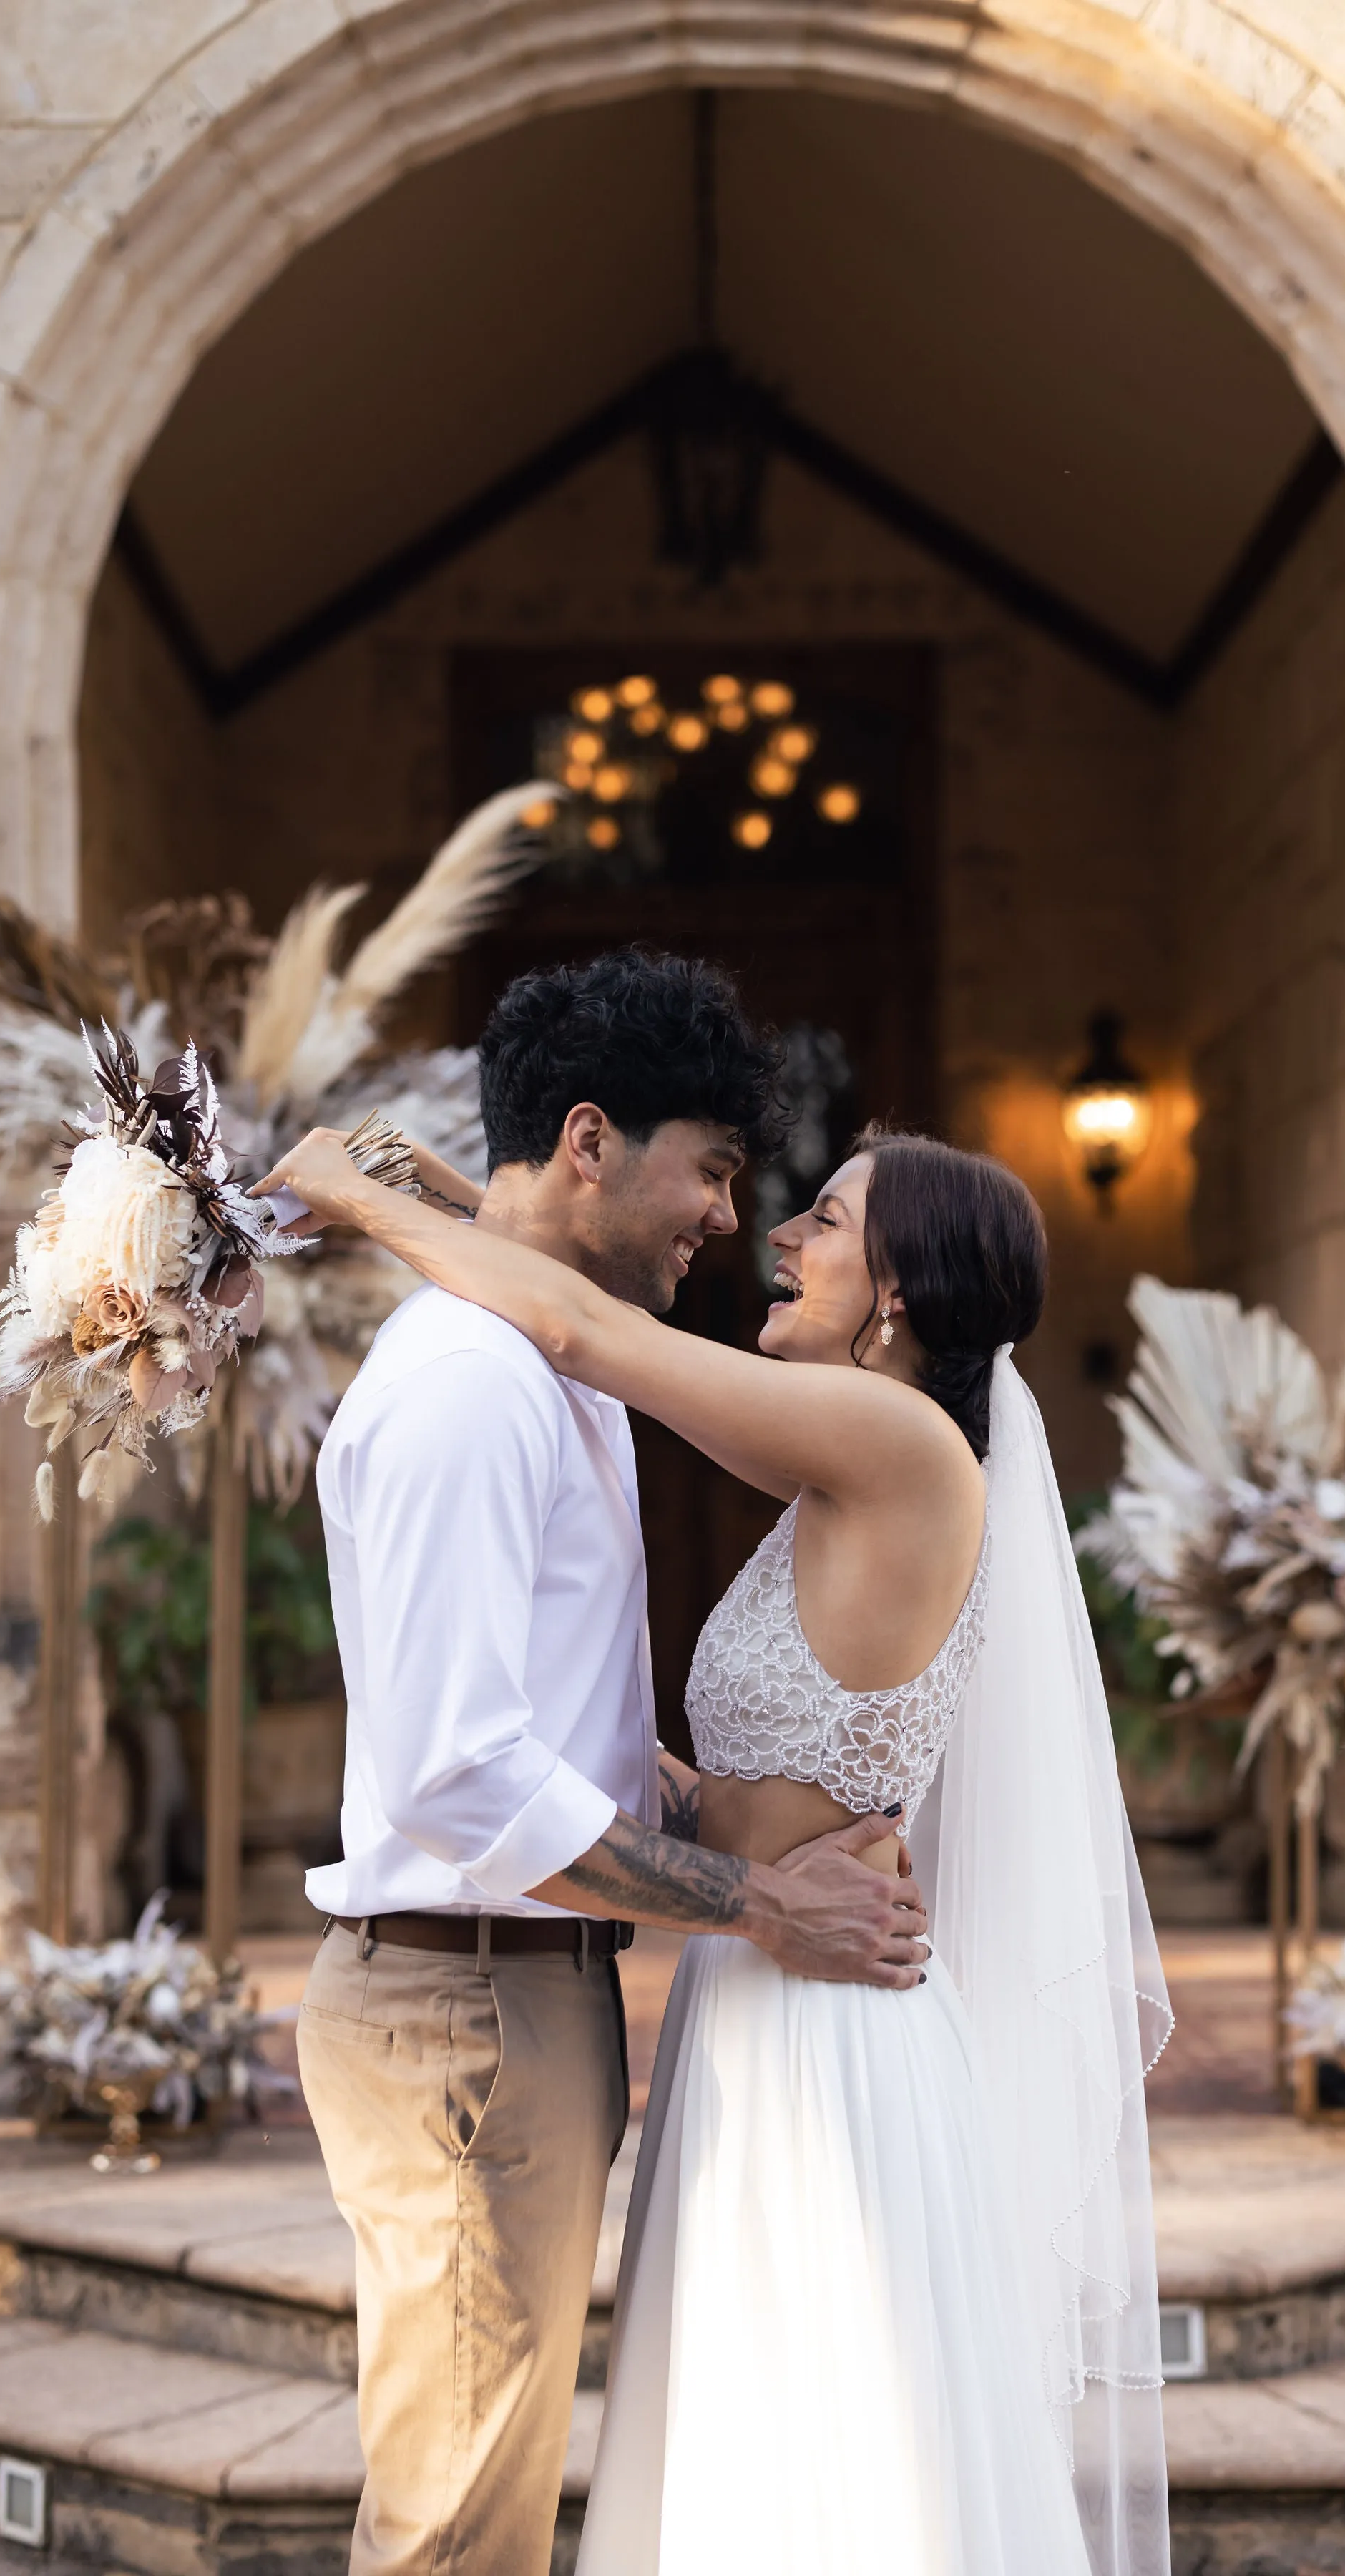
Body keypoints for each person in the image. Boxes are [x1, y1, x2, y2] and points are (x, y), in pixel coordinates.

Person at [264, 1105, 1173, 2576]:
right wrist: (463, 1194)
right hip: (752, 1986)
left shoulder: (897, 1439)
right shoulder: (840, 1477)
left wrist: (369, 1207)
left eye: (824, 1217)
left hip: (826, 2026)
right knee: (754, 2439)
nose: (781, 1235)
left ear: (893, 1294)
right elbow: (753, 1781)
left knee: (837, 2443)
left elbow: (581, 1331)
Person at [286, 950, 928, 2576]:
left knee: (484, 2498)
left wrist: (733, 1809)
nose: (728, 1215)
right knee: (454, 2532)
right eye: (711, 1168)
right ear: (591, 1141)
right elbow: (461, 1781)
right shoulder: (466, 1390)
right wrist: (763, 1904)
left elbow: (552, 1729)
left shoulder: (545, 1362)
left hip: (515, 1996)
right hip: (468, 2007)